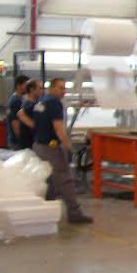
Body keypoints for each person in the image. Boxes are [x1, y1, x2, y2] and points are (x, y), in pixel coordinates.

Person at [32, 78, 93, 224]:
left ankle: (45, 209)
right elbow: (59, 129)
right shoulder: (54, 103)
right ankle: (74, 212)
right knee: (65, 180)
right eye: (61, 88)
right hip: (51, 148)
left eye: (64, 88)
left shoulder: (41, 101)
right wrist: (68, 147)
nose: (64, 91)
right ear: (52, 88)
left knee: (51, 180)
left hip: (39, 146)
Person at [16, 79, 43, 150]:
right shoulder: (29, 106)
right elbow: (20, 114)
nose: (42, 91)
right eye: (40, 88)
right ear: (31, 89)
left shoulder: (34, 104)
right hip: (29, 144)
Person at [6, 74, 29, 150]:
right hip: (17, 142)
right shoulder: (16, 101)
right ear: (19, 85)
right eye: (26, 85)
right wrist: (21, 141)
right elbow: (15, 123)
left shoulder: (20, 100)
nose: (28, 88)